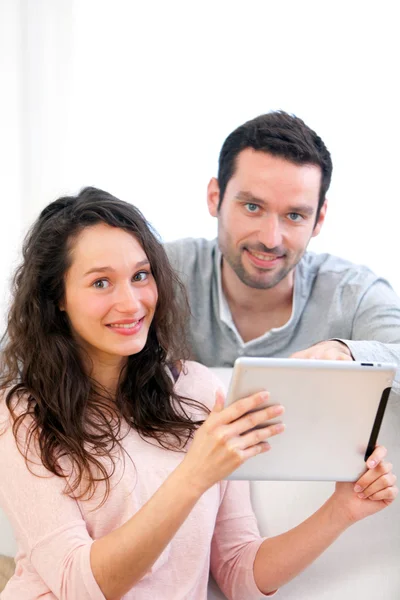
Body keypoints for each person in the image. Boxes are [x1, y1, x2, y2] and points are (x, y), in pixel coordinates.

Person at [0, 187, 397, 600]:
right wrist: (195, 474)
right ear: (57, 298)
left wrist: (341, 511)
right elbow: (81, 587)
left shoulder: (198, 390)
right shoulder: (23, 416)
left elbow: (239, 571)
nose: (131, 303)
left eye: (141, 276)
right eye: (101, 282)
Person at [164, 111, 400, 381]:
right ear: (215, 197)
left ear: (319, 218)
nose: (270, 239)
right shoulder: (161, 272)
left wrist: (349, 353)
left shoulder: (353, 295)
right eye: (252, 207)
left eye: (294, 215)